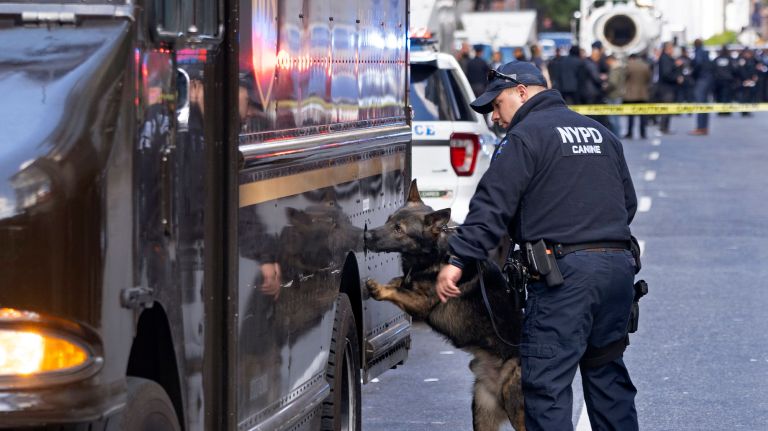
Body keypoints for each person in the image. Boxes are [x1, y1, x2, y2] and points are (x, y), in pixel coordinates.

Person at [436, 61, 639, 431]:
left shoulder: (524, 138)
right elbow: (628, 205)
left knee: (546, 387)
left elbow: (491, 207)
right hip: (617, 273)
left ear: (522, 92)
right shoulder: (601, 133)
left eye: (496, 105)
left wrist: (458, 259)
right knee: (609, 381)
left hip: (563, 278)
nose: (495, 117)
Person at [624, 53, 652, 139]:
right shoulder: (645, 66)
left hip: (631, 94)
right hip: (643, 93)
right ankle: (643, 133)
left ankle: (630, 133)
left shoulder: (628, 66)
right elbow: (649, 78)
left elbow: (624, 77)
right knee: (643, 116)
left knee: (630, 116)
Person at [689, 38, 713, 135]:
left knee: (700, 104)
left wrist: (693, 74)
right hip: (707, 79)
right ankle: (704, 127)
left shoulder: (698, 52)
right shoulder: (705, 53)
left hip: (701, 79)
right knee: (704, 104)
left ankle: (700, 128)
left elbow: (698, 64)